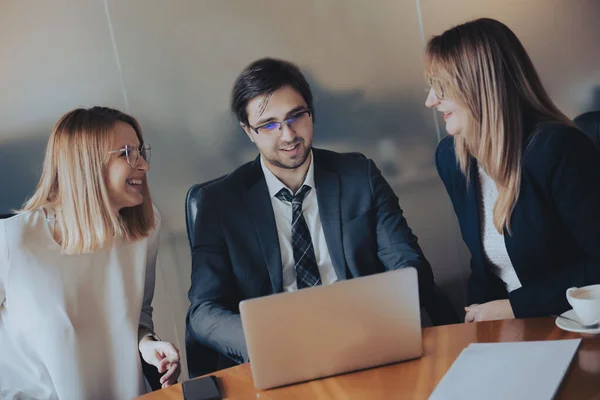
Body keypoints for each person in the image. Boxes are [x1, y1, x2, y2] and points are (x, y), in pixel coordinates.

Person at [187, 57, 457, 371]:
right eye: (269, 125)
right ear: (248, 131)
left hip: (365, 342)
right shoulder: (219, 203)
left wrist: (375, 319)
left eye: (296, 116)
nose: (288, 135)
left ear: (311, 112)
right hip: (280, 355)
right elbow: (203, 311)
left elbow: (407, 262)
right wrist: (263, 342)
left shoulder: (359, 176)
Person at [425, 18, 600, 322]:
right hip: (509, 328)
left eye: (440, 88)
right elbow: (482, 267)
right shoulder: (452, 158)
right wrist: (474, 326)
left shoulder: (556, 148)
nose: (430, 101)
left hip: (574, 322)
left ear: (479, 88)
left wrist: (514, 308)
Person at [0, 107, 180, 399]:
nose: (144, 165)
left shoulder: (146, 228)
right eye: (126, 153)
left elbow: (138, 317)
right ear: (86, 164)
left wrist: (147, 343)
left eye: (140, 151)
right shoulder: (13, 239)